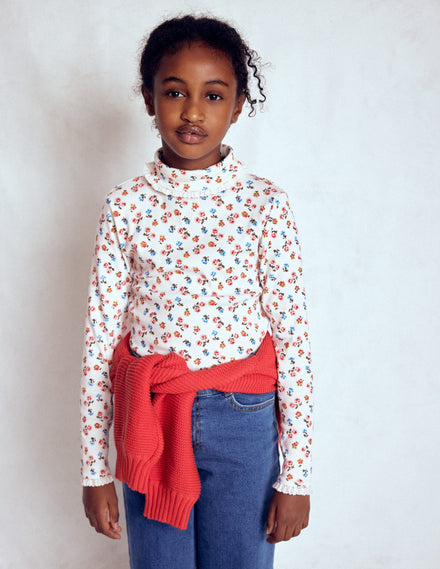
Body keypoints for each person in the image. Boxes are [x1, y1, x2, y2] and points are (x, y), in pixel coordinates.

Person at [81, 14, 313, 569]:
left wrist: (297, 475)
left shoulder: (265, 205)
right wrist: (94, 470)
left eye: (213, 95)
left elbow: (294, 342)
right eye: (174, 92)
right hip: (151, 421)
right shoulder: (125, 206)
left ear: (237, 106)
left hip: (244, 421)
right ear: (149, 98)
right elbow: (100, 340)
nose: (192, 112)